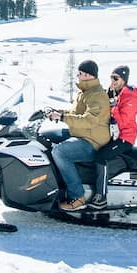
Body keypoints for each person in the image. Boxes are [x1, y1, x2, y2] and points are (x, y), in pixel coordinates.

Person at [47, 60, 111, 211]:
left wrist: (62, 118)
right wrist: (57, 112)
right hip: (83, 134)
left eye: (80, 73)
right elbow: (75, 114)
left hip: (93, 141)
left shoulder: (97, 96)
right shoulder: (85, 92)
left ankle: (77, 196)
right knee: (47, 137)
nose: (77, 75)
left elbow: (89, 120)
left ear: (88, 75)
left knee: (60, 152)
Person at [89, 65, 137, 206]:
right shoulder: (116, 93)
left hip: (125, 138)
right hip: (114, 135)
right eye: (111, 77)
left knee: (101, 156)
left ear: (124, 79)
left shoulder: (129, 98)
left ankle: (101, 196)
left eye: (116, 78)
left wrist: (112, 105)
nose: (113, 81)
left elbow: (123, 121)